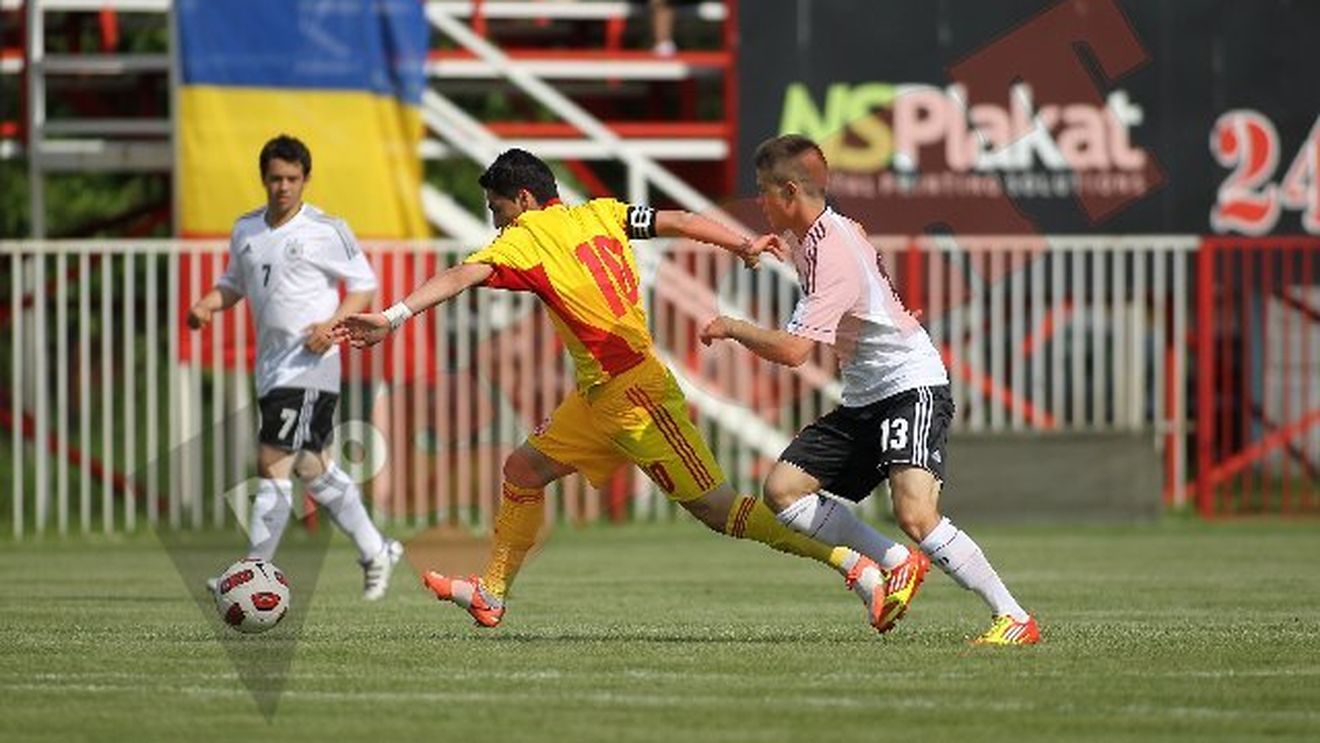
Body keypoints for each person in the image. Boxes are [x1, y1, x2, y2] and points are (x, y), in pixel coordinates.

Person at [334, 148, 912, 630]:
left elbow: (462, 274)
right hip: (598, 397)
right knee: (523, 471)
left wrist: (391, 316)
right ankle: (492, 593)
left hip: (637, 397)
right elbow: (677, 221)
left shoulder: (527, 237)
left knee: (717, 509)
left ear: (525, 200)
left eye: (497, 209)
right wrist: (739, 244)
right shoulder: (600, 213)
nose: (497, 223)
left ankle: (854, 566)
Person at [700, 134, 1041, 645]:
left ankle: (1013, 616)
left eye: (763, 191)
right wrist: (761, 247)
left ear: (790, 192)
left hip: (909, 385)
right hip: (867, 396)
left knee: (916, 515)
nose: (759, 202)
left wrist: (732, 326)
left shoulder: (831, 253)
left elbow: (794, 352)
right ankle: (897, 562)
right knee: (784, 491)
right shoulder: (825, 231)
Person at [189, 134, 404, 601]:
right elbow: (234, 283)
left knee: (272, 461)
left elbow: (363, 286)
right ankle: (376, 549)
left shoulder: (327, 229)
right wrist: (208, 304)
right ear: (263, 179)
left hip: (311, 365)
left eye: (291, 178)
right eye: (275, 178)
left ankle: (252, 570)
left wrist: (331, 325)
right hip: (271, 367)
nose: (283, 187)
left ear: (305, 179)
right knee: (314, 468)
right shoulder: (246, 229)